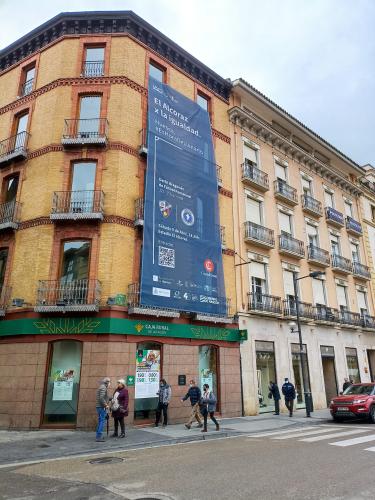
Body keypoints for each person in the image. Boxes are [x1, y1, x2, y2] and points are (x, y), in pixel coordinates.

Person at [95, 377, 111, 442]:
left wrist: (109, 398)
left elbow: (103, 397)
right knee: (102, 421)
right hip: (101, 407)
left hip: (99, 406)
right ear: (107, 382)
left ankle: (98, 436)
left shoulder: (102, 386)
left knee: (100, 421)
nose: (110, 383)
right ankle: (99, 437)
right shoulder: (103, 387)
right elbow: (101, 398)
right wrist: (106, 405)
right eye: (109, 382)